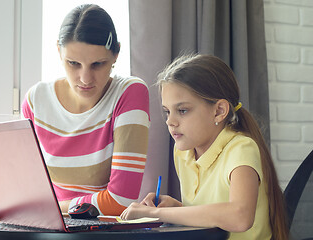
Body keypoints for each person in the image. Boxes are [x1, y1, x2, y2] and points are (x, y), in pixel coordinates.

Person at [120, 54, 288, 240]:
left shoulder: (241, 148)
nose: (170, 121)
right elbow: (214, 218)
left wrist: (156, 214)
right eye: (167, 111)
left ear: (219, 111)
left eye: (182, 110)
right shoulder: (183, 152)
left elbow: (240, 217)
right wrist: (178, 209)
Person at [21, 4, 150, 216]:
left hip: (100, 232)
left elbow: (119, 201)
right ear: (59, 52)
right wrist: (40, 210)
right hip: (47, 226)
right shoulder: (36, 101)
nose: (85, 78)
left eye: (98, 64)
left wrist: (48, 209)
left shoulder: (129, 93)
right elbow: (25, 193)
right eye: (73, 63)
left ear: (116, 53)